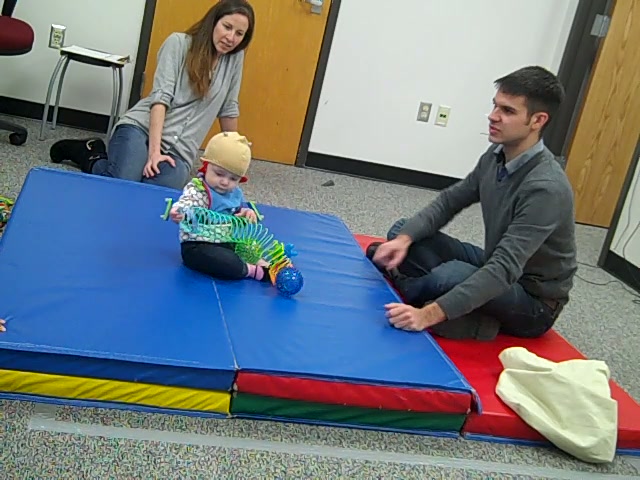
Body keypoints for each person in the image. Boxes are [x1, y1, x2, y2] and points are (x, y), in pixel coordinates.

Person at [368, 65, 577, 341]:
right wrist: (404, 240)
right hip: (495, 263)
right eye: (495, 106)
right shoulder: (496, 155)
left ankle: (415, 290)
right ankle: (455, 305)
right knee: (402, 230)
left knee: (451, 275)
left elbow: (503, 269)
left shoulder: (546, 188)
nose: (493, 116)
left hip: (534, 303)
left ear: (537, 120)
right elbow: (449, 202)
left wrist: (425, 315)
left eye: (507, 111)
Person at [49, 0, 255, 190]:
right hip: (141, 129)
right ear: (213, 22)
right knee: (123, 184)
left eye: (239, 34)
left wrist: (234, 158)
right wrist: (154, 153)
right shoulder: (179, 43)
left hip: (180, 152)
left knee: (154, 194)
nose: (231, 38)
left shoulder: (234, 59)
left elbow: (228, 108)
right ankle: (90, 153)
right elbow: (160, 99)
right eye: (227, 27)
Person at [169, 131, 271, 283]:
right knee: (228, 262)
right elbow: (188, 202)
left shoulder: (233, 193)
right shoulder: (199, 189)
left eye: (233, 178)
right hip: (198, 245)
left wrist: (245, 213)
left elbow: (236, 212)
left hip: (225, 241)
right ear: (206, 166)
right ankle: (250, 270)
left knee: (247, 247)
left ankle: (265, 264)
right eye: (219, 174)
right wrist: (180, 212)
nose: (225, 182)